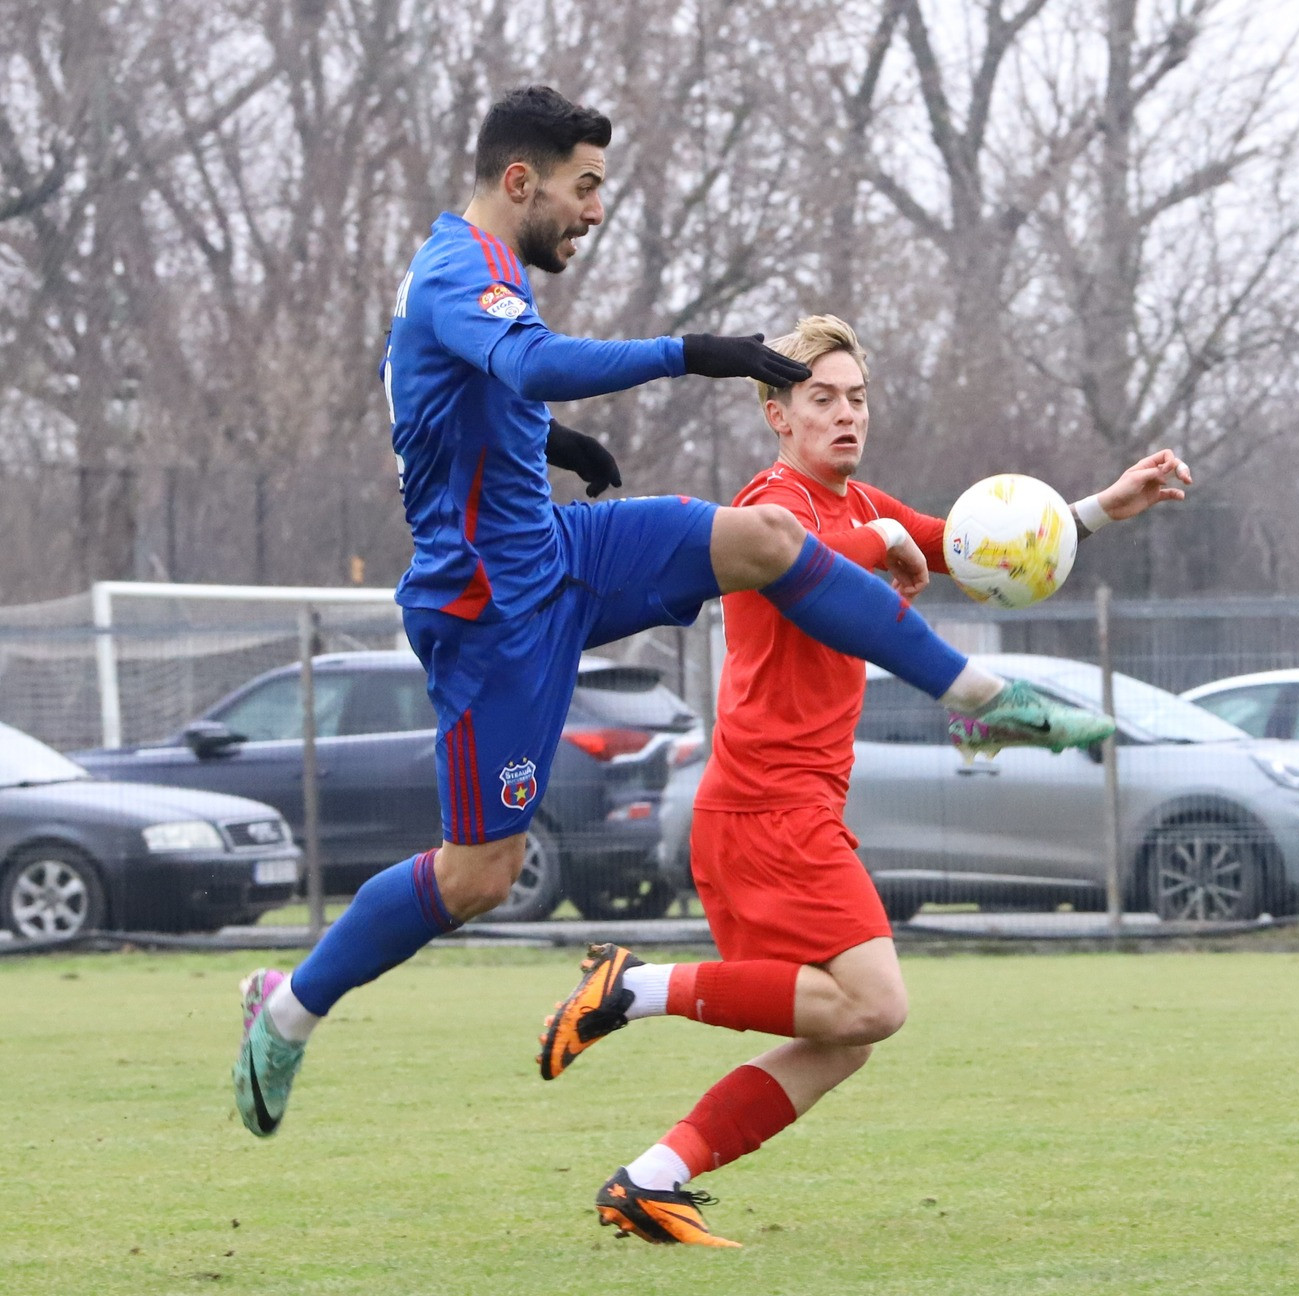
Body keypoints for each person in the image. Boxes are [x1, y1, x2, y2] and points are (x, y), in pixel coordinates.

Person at [232, 90, 1113, 1140]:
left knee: (764, 542)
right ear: (522, 180)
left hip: (560, 550)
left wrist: (553, 448)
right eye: (586, 185)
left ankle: (979, 690)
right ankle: (286, 1010)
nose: (595, 210)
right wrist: (694, 349)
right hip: (487, 608)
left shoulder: (485, 270)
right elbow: (526, 362)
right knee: (481, 874)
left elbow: (450, 402)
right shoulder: (458, 267)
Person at [535, 315, 1191, 1247]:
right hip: (765, 808)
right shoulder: (772, 505)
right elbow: (798, 560)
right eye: (821, 399)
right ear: (777, 413)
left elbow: (973, 550)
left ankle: (651, 1179)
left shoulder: (859, 502)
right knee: (877, 1004)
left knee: (843, 1038)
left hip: (792, 811)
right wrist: (882, 535)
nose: (845, 415)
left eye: (857, 398)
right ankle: (632, 989)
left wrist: (1092, 511)